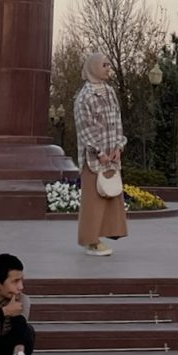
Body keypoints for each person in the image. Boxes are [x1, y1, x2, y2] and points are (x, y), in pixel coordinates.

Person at [73, 53, 129, 256]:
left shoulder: (110, 92)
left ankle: (105, 234)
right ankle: (91, 241)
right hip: (94, 159)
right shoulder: (84, 97)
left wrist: (118, 148)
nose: (108, 68)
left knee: (110, 195)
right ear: (94, 67)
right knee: (93, 201)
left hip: (111, 157)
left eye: (109, 65)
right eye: (104, 65)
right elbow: (85, 128)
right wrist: (100, 152)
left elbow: (117, 122)